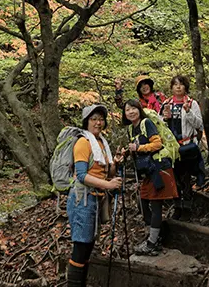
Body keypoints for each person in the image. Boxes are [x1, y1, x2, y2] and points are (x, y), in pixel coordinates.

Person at [67, 104, 123, 287]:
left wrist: (114, 163)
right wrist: (108, 185)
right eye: (94, 119)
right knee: (81, 245)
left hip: (95, 199)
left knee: (89, 244)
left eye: (101, 119)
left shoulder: (101, 143)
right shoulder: (83, 142)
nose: (98, 122)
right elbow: (82, 175)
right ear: (86, 122)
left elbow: (105, 173)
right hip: (82, 199)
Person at [123, 98, 177, 256]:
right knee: (143, 201)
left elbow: (157, 144)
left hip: (159, 168)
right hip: (148, 171)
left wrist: (138, 147)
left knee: (155, 205)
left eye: (133, 108)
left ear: (139, 109)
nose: (131, 112)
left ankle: (152, 243)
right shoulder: (132, 129)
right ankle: (155, 237)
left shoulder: (146, 123)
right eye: (127, 110)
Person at [163, 75, 206, 219]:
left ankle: (187, 206)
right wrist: (164, 118)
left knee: (186, 177)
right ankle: (177, 206)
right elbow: (160, 126)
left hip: (187, 146)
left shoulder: (192, 103)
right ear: (171, 87)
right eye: (175, 84)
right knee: (174, 177)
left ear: (185, 87)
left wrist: (188, 112)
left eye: (181, 84)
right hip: (171, 148)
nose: (178, 87)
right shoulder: (166, 104)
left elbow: (199, 125)